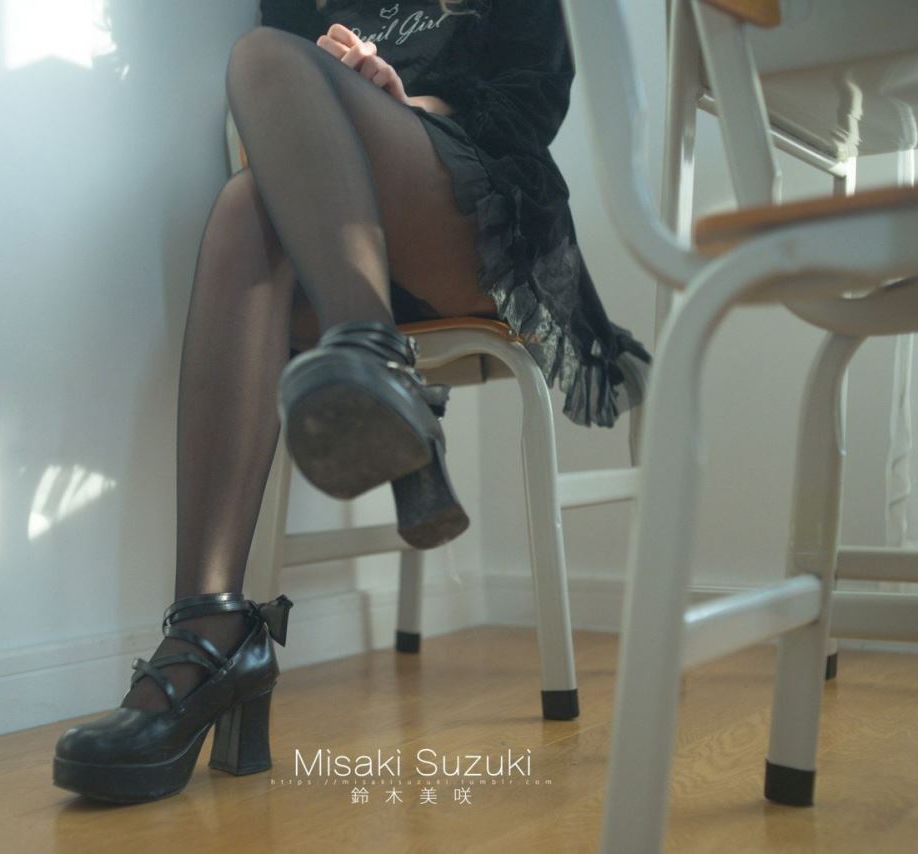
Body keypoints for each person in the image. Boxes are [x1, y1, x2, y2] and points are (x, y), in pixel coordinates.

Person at [52, 0, 651, 803]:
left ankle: (216, 634)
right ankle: (209, 618)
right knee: (247, 196)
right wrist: (333, 92)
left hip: (471, 213)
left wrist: (398, 101)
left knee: (264, 58)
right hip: (339, 242)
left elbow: (531, 102)